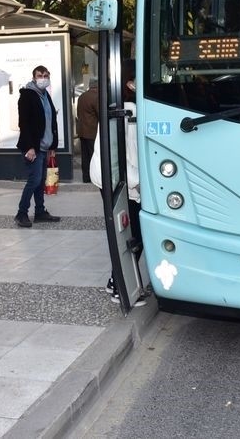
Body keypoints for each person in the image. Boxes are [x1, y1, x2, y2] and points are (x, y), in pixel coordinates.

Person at [90, 62, 146, 307]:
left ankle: (117, 282)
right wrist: (139, 183)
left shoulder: (122, 107)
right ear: (130, 83)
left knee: (130, 232)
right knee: (132, 234)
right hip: (116, 178)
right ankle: (119, 286)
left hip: (117, 177)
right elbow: (123, 154)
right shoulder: (127, 110)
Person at [15, 65, 62, 228]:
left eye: (46, 75)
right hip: (33, 147)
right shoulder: (27, 95)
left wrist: (52, 145)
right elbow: (24, 123)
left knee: (40, 181)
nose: (43, 78)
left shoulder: (45, 95)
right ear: (34, 77)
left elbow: (51, 122)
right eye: (40, 75)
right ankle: (21, 213)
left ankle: (40, 211)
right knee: (34, 180)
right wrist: (29, 147)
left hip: (45, 146)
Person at [76, 79, 100, 183]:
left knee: (85, 156)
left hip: (82, 131)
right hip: (92, 131)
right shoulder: (96, 96)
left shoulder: (82, 96)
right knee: (93, 155)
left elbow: (78, 113)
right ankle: (93, 177)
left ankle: (86, 177)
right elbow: (100, 114)